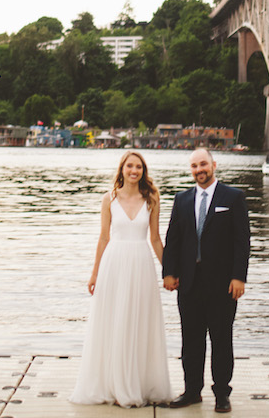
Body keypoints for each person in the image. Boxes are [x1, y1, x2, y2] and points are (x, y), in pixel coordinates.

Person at [70, 151, 171, 407]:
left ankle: (137, 382)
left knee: (138, 321)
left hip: (141, 264)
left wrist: (169, 270)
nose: (134, 171)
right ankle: (113, 383)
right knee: (114, 322)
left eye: (138, 167)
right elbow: (104, 238)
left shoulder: (152, 198)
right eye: (130, 166)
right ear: (122, 169)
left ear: (143, 171)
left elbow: (156, 239)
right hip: (114, 265)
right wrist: (94, 273)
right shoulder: (109, 199)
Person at [162, 148, 250, 414]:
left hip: (223, 284)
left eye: (203, 164)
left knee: (221, 340)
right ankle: (191, 391)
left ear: (213, 165)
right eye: (194, 166)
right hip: (188, 283)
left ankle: (222, 393)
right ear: (191, 170)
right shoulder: (182, 199)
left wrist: (239, 277)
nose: (199, 170)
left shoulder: (233, 197)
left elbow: (241, 241)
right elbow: (173, 240)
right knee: (191, 340)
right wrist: (169, 272)